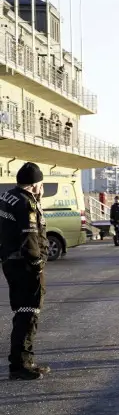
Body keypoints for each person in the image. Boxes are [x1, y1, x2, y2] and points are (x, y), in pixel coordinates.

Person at [0, 162, 50, 380]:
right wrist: (37, 263)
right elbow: (29, 237)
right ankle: (21, 365)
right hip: (24, 265)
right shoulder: (26, 203)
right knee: (28, 313)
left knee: (22, 312)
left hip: (11, 262)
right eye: (41, 184)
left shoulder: (7, 197)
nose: (42, 188)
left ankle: (23, 361)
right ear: (34, 184)